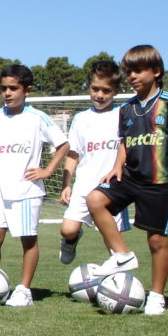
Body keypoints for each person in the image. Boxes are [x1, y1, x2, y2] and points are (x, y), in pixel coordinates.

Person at [87, 45, 168, 316]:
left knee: (157, 240)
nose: (132, 76)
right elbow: (124, 142)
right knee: (95, 200)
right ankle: (122, 255)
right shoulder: (126, 108)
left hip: (159, 182)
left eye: (138, 70)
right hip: (130, 177)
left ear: (156, 71)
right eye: (128, 71)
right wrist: (116, 167)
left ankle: (157, 295)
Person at [0, 64, 69, 307]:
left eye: (13, 88)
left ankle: (24, 289)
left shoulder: (37, 118)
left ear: (26, 90)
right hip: (0, 190)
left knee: (27, 239)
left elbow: (63, 145)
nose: (7, 93)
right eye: (3, 88)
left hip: (27, 190)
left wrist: (48, 170)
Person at [57, 60, 131, 264]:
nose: (100, 95)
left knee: (112, 239)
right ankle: (70, 241)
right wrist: (66, 184)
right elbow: (73, 155)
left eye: (106, 90)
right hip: (84, 184)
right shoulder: (81, 119)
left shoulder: (123, 114)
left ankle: (121, 282)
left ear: (116, 90)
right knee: (68, 229)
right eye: (95, 89)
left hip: (112, 187)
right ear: (88, 87)